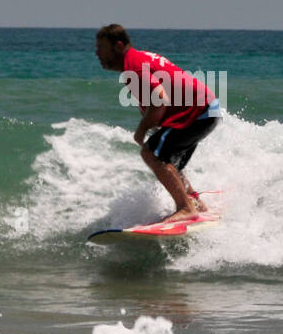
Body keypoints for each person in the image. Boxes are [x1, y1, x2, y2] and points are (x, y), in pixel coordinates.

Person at [94, 23, 220, 222]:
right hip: (206, 110)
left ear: (118, 46)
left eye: (101, 48)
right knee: (169, 160)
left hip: (197, 112)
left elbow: (159, 101)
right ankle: (196, 205)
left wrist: (140, 131)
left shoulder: (133, 66)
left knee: (151, 153)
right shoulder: (139, 59)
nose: (97, 53)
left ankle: (185, 208)